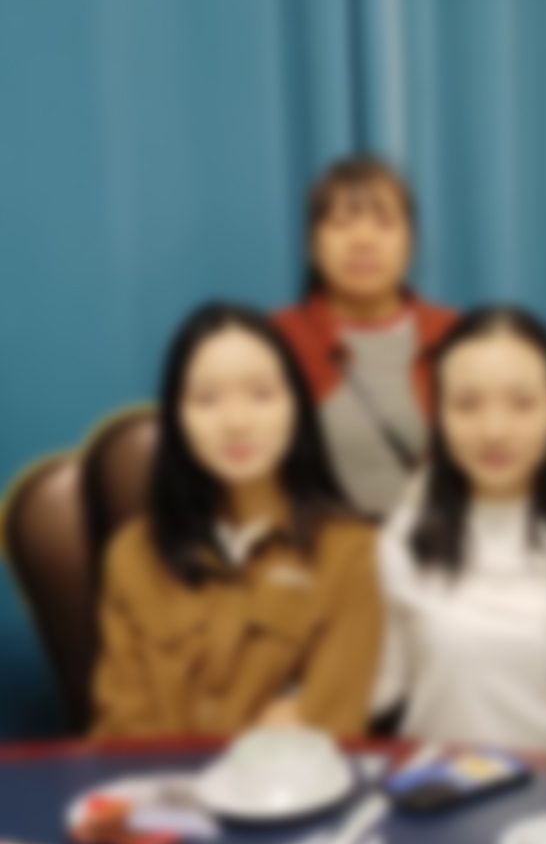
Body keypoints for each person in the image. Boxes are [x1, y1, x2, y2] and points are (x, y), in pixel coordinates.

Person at [92, 304, 382, 740]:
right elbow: (122, 729)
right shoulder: (133, 552)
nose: (236, 423)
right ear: (177, 417)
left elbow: (328, 729)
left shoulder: (353, 552)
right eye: (206, 399)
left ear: (296, 406)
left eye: (261, 395)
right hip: (154, 783)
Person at [375, 307, 546, 752]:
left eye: (522, 403)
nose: (494, 430)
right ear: (439, 415)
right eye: (467, 405)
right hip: (436, 783)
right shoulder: (404, 540)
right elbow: (377, 695)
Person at [274, 155, 459, 519]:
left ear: (412, 242)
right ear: (311, 245)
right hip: (317, 544)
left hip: (439, 541)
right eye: (341, 224)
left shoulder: (457, 335)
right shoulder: (275, 340)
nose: (363, 240)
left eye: (384, 223)